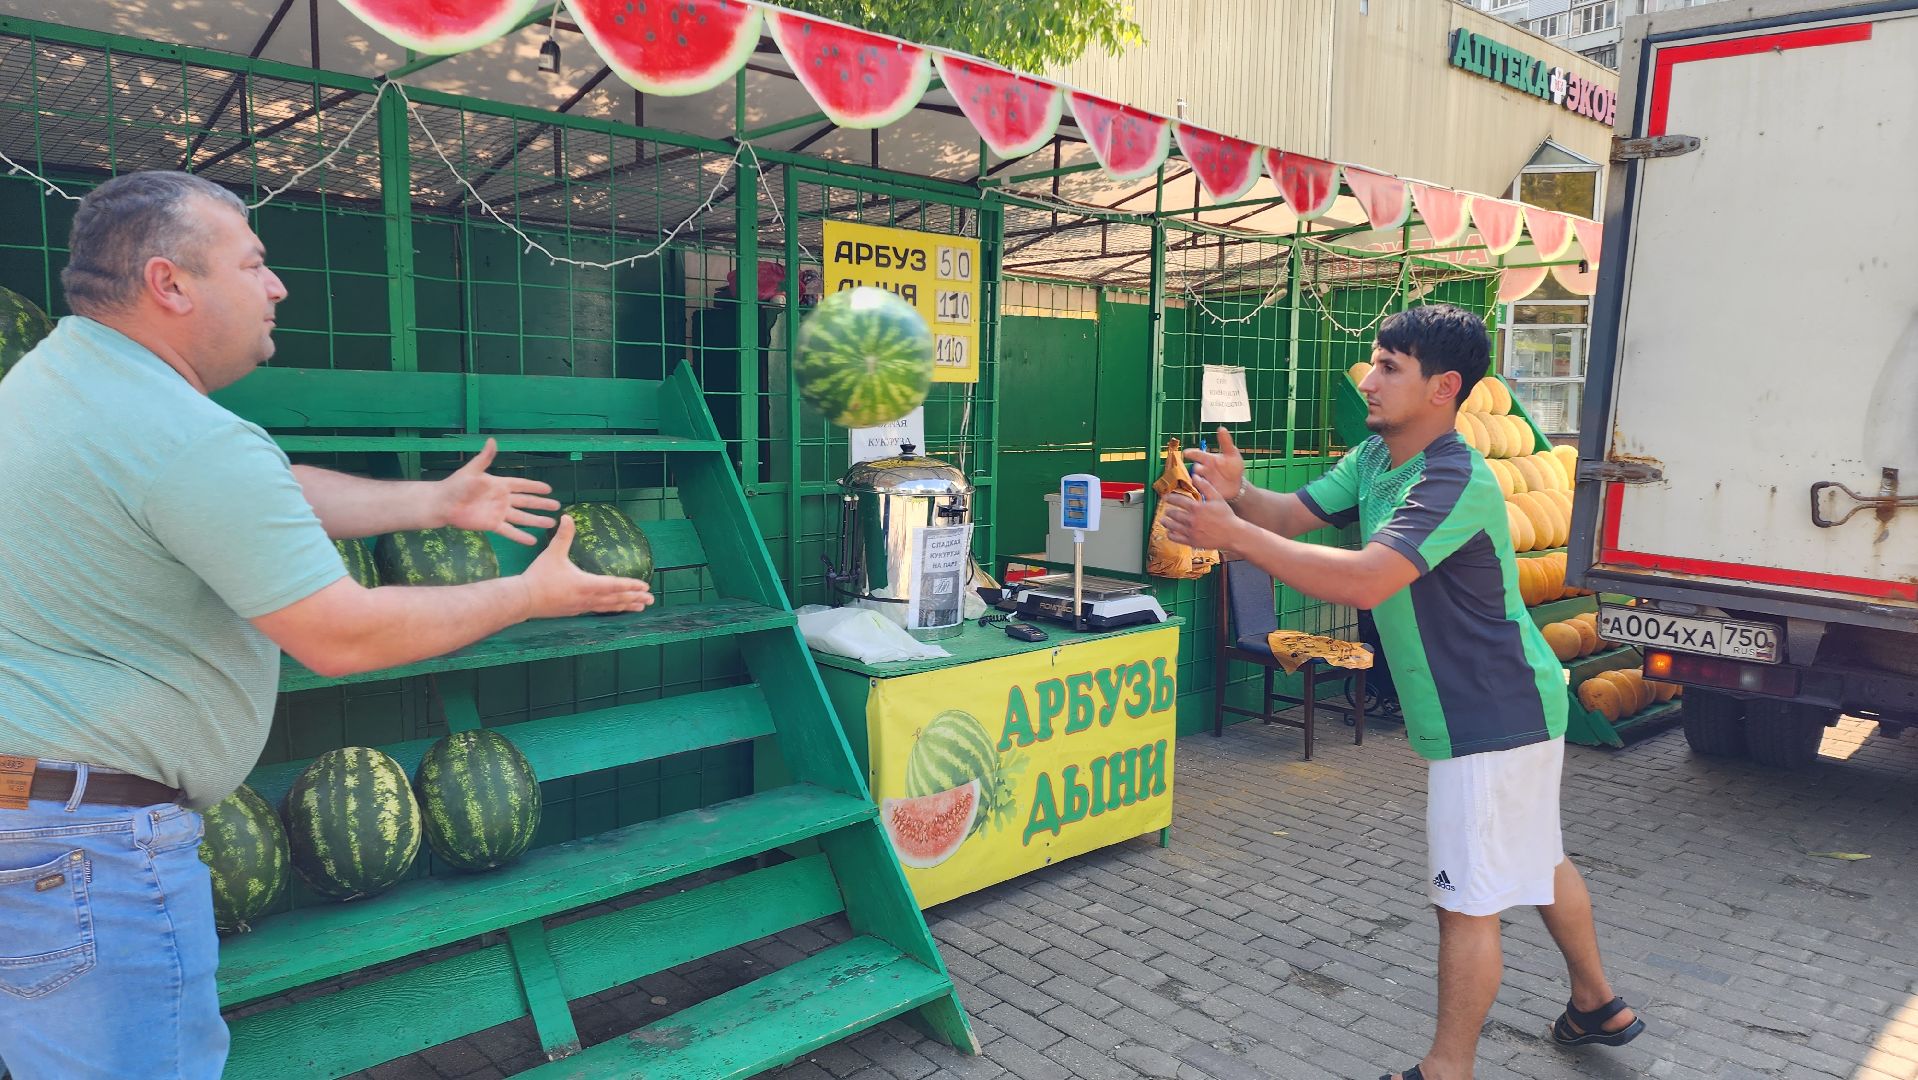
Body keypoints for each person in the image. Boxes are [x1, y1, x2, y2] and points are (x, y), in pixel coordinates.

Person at [0, 170, 652, 1080]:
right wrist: (525, 597)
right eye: (255, 263)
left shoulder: (64, 384)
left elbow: (255, 493)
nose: (278, 286)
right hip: (90, 853)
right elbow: (341, 636)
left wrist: (432, 500)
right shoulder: (174, 431)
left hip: (30, 817)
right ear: (170, 284)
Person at [1161, 304, 1644, 1080]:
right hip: (1513, 705)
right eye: (1374, 361)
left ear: (1444, 387)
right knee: (1536, 859)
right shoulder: (1378, 456)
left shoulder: (1454, 477)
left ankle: (1446, 1069)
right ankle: (1597, 1004)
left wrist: (1235, 536)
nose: (1371, 380)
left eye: (1390, 367)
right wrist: (1243, 494)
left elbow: (1368, 577)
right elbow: (1294, 513)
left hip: (1488, 716)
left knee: (1464, 903)